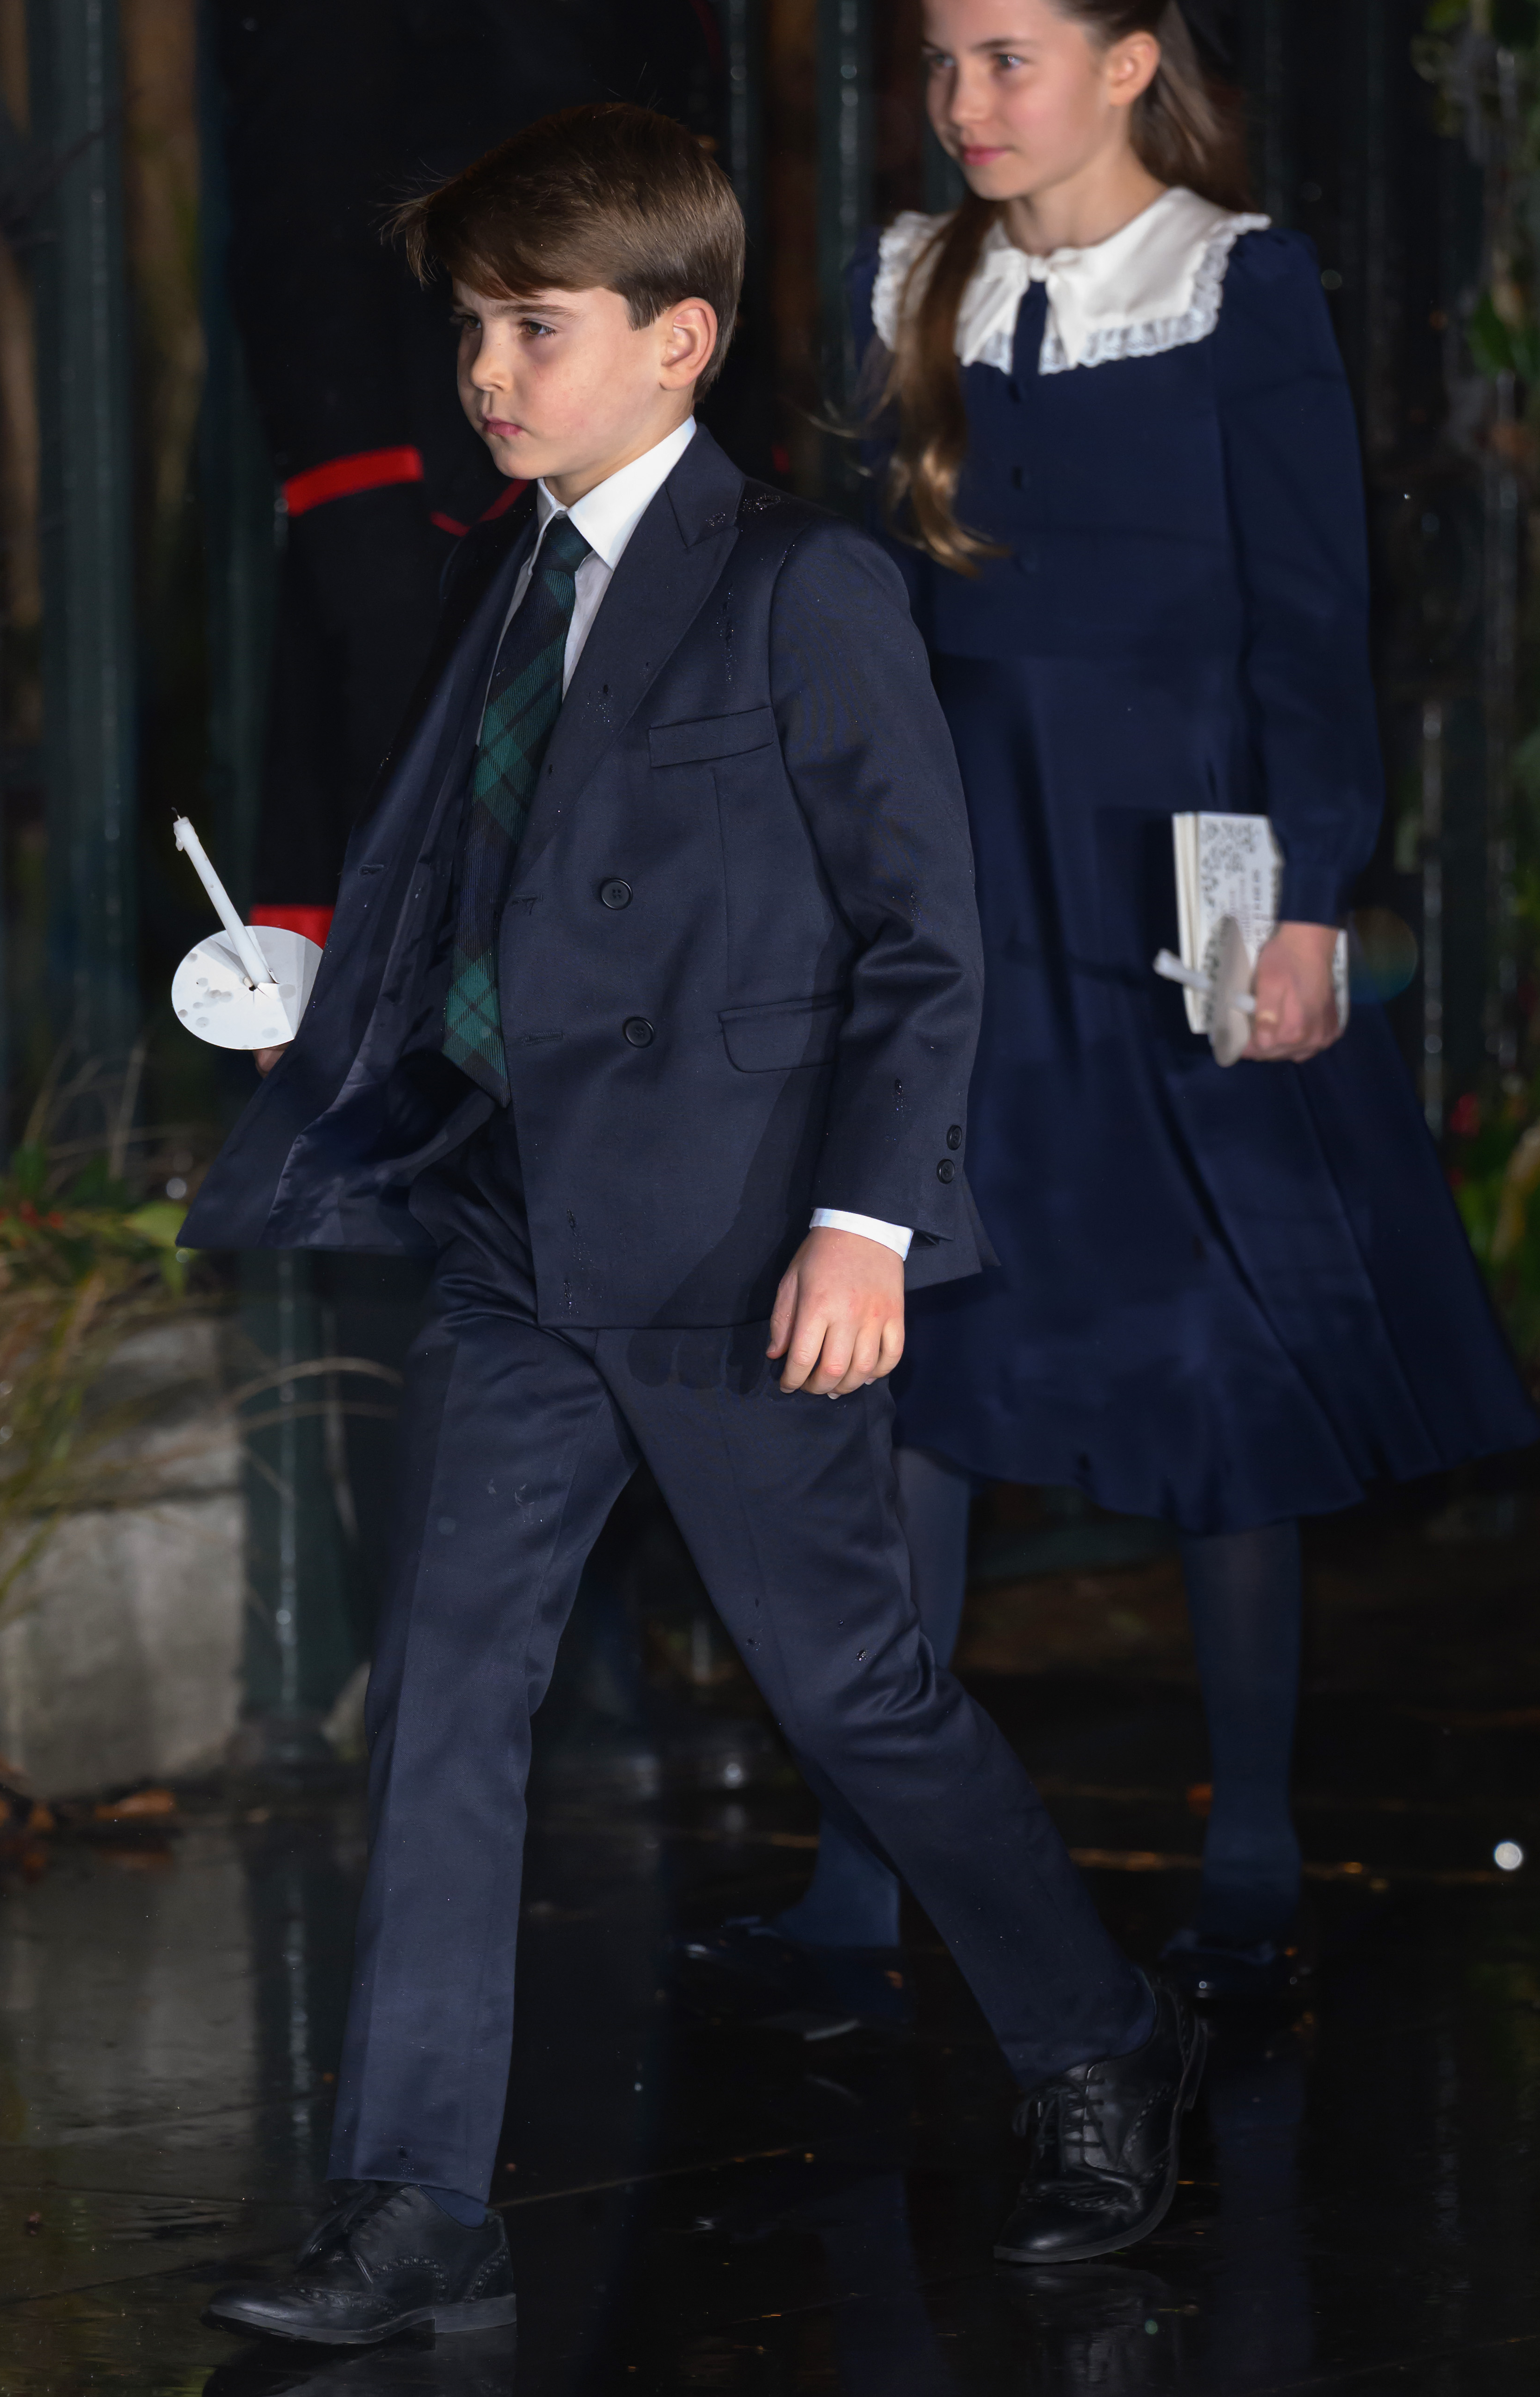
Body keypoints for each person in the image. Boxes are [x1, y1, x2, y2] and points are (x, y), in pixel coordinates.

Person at [183, 103, 1206, 2342]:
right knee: (447, 1700)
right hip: (520, 1234)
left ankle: (1099, 2037)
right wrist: (332, 1005)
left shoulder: (800, 585)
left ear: (681, 340)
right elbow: (489, 896)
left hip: (748, 1254)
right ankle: (414, 2200)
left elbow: (923, 943)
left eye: (531, 329)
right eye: (469, 330)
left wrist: (860, 1225)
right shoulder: (513, 571)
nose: (485, 373)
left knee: (854, 1694)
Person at [697, 0, 1540, 2018]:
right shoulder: (918, 279)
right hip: (956, 885)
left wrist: (1312, 890)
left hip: (1176, 892)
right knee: (903, 1358)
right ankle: (865, 1868)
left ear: (1134, 62)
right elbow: (862, 608)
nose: (966, 104)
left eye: (1009, 60)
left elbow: (1311, 608)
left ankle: (1249, 1850)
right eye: (943, 66)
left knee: (1214, 1352)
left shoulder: (1239, 286)